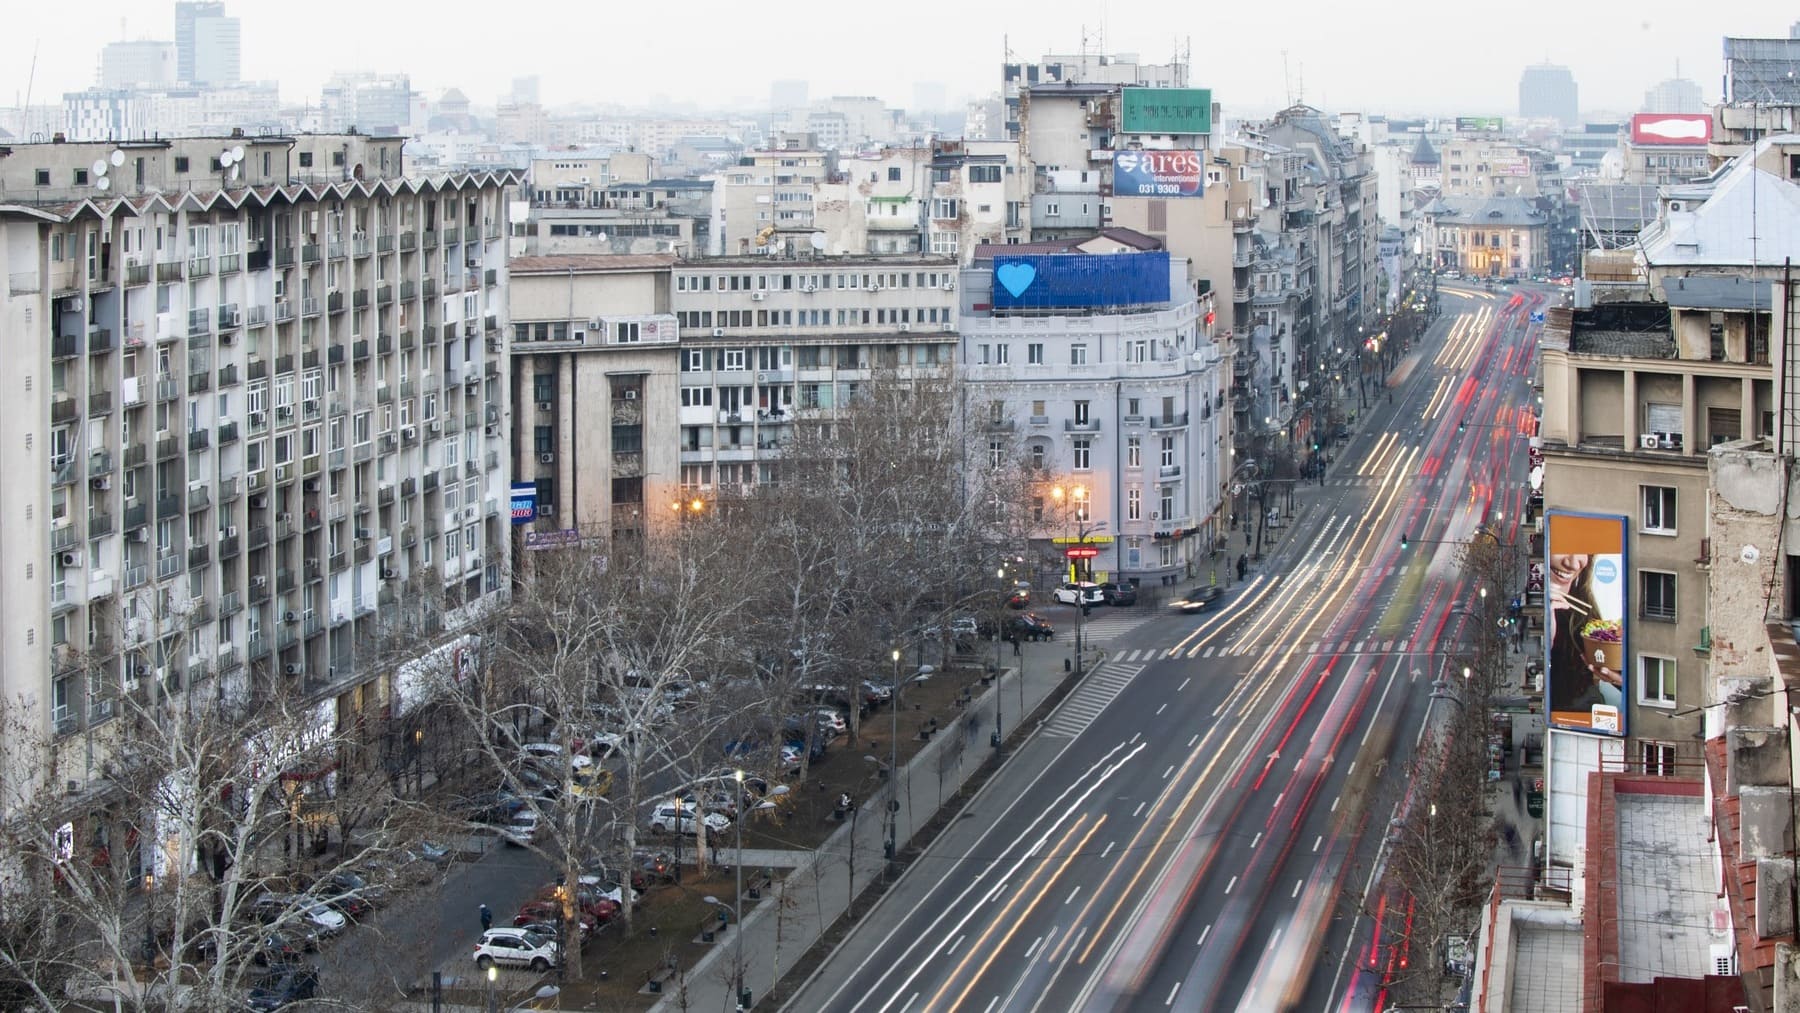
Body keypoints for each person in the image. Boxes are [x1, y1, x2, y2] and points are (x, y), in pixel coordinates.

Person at [1546, 553, 1621, 717]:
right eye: (1563, 546)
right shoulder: (1510, 597)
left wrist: (1621, 679)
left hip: (1580, 722)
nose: (1573, 563)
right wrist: (1546, 641)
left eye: (1582, 550)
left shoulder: (1583, 613)